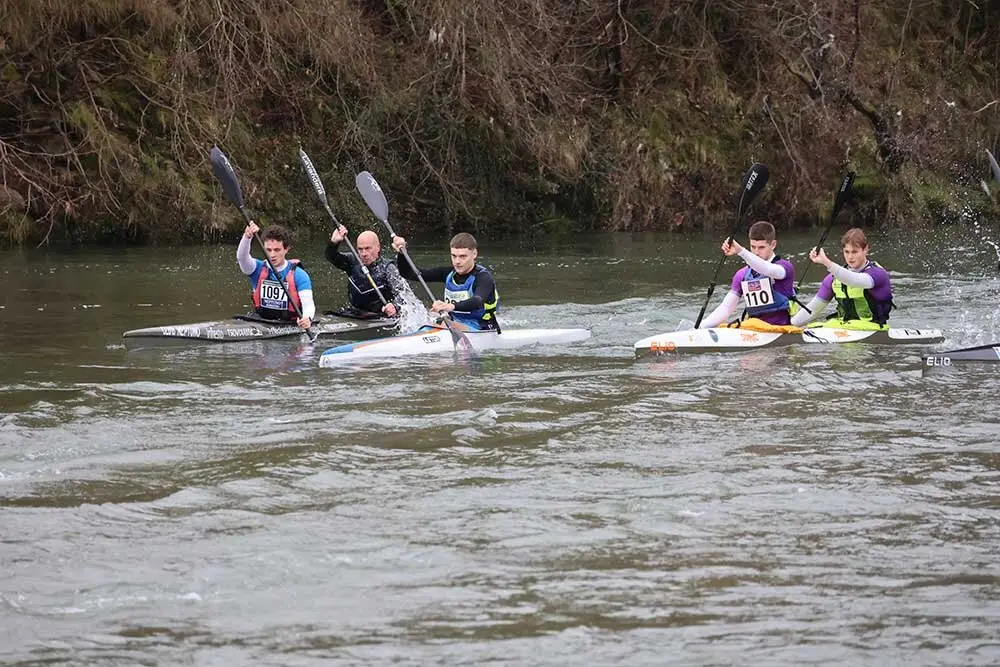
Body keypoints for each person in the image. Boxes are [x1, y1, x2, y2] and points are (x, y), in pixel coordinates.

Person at [391, 232, 500, 331]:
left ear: (474, 254)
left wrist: (450, 306)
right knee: (430, 317)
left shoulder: (484, 278)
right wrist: (402, 253)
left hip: (482, 326)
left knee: (439, 325)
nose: (457, 261)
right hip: (454, 321)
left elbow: (477, 301)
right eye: (454, 256)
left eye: (463, 256)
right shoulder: (448, 273)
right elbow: (409, 274)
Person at [698, 220, 797, 328]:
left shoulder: (784, 268)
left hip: (781, 328)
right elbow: (726, 308)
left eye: (761, 247)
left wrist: (740, 251)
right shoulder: (742, 275)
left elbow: (767, 269)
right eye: (753, 247)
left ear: (773, 245)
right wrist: (700, 328)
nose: (756, 252)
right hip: (753, 328)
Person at [791, 227, 894, 329]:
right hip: (843, 328)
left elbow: (854, 281)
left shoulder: (877, 274)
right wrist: (790, 325)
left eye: (854, 252)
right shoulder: (832, 279)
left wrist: (826, 262)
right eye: (846, 252)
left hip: (873, 328)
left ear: (865, 249)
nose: (850, 257)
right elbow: (813, 309)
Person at [237, 222, 314, 328]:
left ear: (286, 249)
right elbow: (242, 258)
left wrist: (307, 318)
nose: (272, 255)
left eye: (277, 250)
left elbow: (308, 304)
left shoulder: (299, 275)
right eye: (268, 250)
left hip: (289, 323)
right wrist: (247, 237)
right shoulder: (257, 269)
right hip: (260, 322)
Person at [324, 225, 399, 318]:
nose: (363, 254)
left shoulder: (389, 269)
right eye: (360, 249)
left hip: (380, 316)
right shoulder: (352, 261)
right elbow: (331, 256)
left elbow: (405, 298)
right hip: (355, 314)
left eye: (367, 248)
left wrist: (395, 306)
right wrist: (334, 243)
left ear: (378, 247)